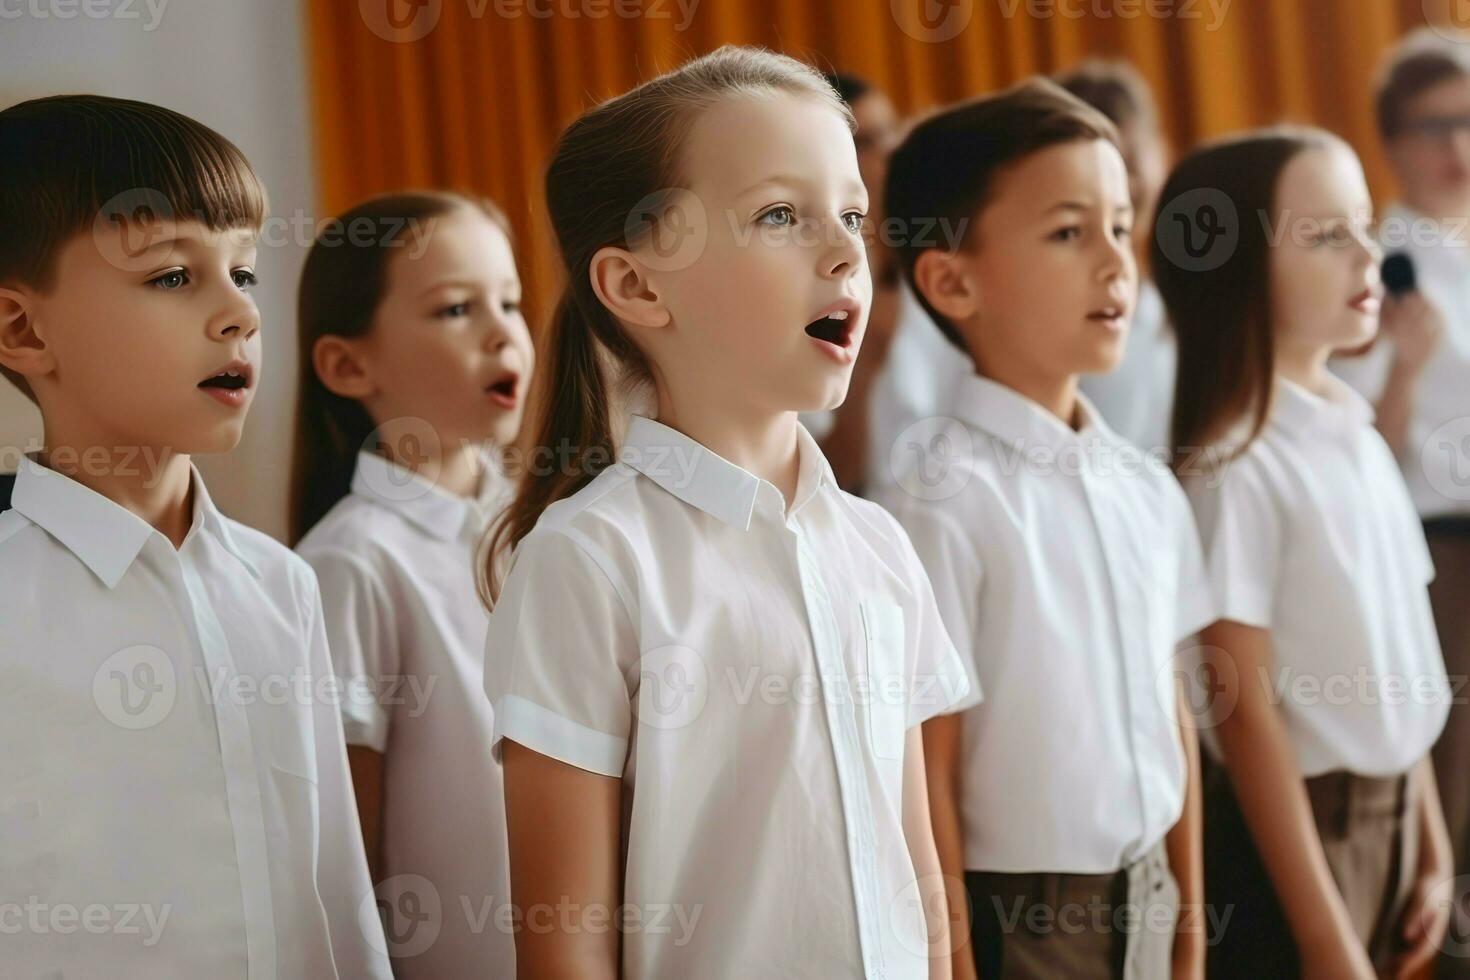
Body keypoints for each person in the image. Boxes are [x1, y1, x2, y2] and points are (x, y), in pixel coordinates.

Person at [481, 45, 970, 978]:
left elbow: (923, 889)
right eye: (780, 215)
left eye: (855, 215)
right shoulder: (591, 559)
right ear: (635, 285)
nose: (844, 252)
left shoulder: (879, 547)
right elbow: (563, 947)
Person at [0, 94, 389, 978]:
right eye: (173, 276)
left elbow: (335, 888)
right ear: (23, 328)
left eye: (243, 272)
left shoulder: (282, 585)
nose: (240, 314)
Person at [882, 78, 1213, 980]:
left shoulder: (1145, 487)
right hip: (1022, 916)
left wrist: (1187, 928)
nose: (1116, 261)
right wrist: (951, 959)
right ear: (951, 279)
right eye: (1069, 232)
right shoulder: (939, 496)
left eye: (1121, 223)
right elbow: (926, 763)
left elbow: (1173, 707)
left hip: (1151, 894)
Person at [1159, 125, 1454, 979]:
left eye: (1364, 225)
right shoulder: (1236, 469)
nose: (1368, 254)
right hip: (1306, 837)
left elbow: (1404, 659)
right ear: (1238, 269)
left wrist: (1429, 843)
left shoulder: (1355, 435)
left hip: (1396, 808)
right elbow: (1244, 715)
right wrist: (1324, 938)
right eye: (1327, 236)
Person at [291, 190, 534, 977]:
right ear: (347, 364)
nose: (504, 332)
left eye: (510, 301)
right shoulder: (351, 563)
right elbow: (344, 856)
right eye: (457, 309)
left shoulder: (553, 532)